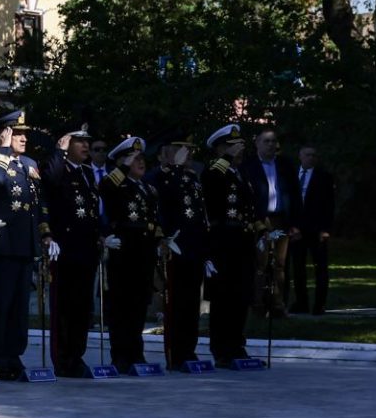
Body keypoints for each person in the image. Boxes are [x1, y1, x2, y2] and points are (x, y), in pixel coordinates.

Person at [0, 109, 48, 382]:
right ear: (3, 135)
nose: (24, 139)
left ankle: (15, 354)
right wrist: (3, 150)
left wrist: (45, 233)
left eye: (24, 134)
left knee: (19, 306)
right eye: (17, 134)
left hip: (25, 244)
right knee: (2, 303)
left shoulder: (28, 163)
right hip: (3, 244)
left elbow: (38, 202)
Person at [42, 124, 103, 377]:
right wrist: (59, 152)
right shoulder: (58, 167)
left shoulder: (87, 172)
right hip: (65, 248)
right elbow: (49, 183)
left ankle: (77, 356)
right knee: (64, 307)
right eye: (79, 141)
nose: (86, 146)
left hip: (86, 247)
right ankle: (63, 359)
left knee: (82, 307)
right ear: (67, 144)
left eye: (87, 141)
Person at [98, 137, 162, 370]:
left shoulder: (148, 188)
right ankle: (121, 355)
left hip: (144, 253)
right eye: (134, 159)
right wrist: (123, 168)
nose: (140, 162)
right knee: (121, 305)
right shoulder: (117, 185)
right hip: (124, 251)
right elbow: (105, 187)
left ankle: (136, 353)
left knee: (139, 305)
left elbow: (154, 219)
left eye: (141, 158)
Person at [201, 124, 262, 366]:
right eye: (232, 146)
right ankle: (222, 350)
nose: (239, 151)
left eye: (239, 146)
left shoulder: (240, 174)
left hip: (243, 243)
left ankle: (237, 345)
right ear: (220, 149)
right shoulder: (214, 172)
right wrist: (226, 158)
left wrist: (261, 228)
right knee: (223, 298)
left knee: (241, 296)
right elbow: (211, 184)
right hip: (223, 244)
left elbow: (249, 206)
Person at [153, 135, 211, 368]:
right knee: (177, 302)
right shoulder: (161, 176)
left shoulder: (193, 176)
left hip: (195, 246)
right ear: (168, 153)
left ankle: (189, 349)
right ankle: (176, 353)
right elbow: (166, 200)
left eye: (189, 150)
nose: (188, 154)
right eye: (181, 149)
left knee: (191, 302)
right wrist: (176, 168)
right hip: (176, 248)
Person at [241, 126, 300, 324]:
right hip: (259, 221)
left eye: (273, 141)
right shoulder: (248, 166)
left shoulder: (285, 165)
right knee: (260, 264)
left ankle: (277, 305)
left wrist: (295, 223)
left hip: (281, 219)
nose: (270, 145)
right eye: (266, 141)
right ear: (257, 143)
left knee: (279, 264)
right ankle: (257, 305)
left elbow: (295, 194)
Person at [289, 143, 335, 314]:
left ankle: (319, 304)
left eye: (314, 155)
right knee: (298, 268)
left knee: (320, 267)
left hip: (317, 229)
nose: (311, 158)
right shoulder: (292, 176)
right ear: (300, 156)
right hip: (297, 229)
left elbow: (329, 205)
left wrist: (325, 229)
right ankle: (301, 303)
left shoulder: (324, 177)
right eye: (307, 154)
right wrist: (292, 226)